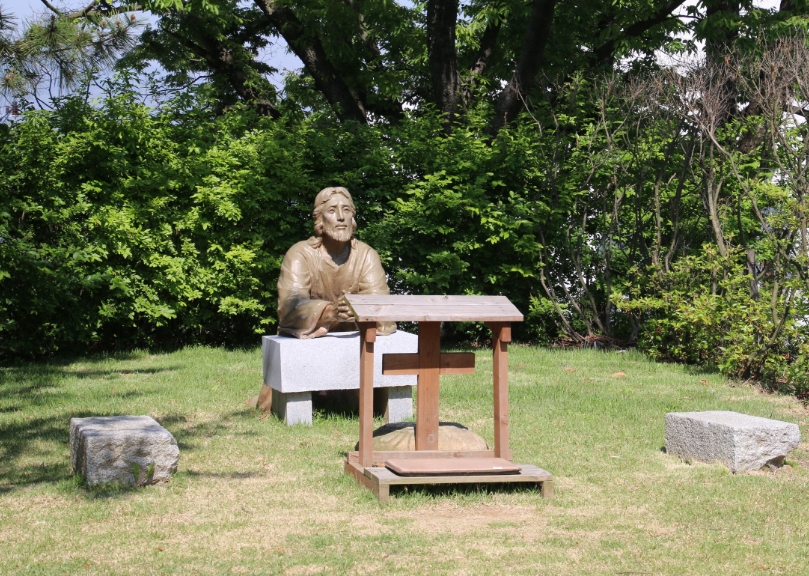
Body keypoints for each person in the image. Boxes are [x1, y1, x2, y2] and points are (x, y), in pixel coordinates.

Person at [276, 186, 396, 338]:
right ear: (320, 218)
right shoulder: (300, 254)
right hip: (310, 342)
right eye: (332, 210)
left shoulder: (366, 255)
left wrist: (359, 308)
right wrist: (330, 312)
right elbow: (290, 305)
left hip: (356, 338)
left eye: (346, 210)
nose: (341, 217)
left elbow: (381, 303)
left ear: (352, 217)